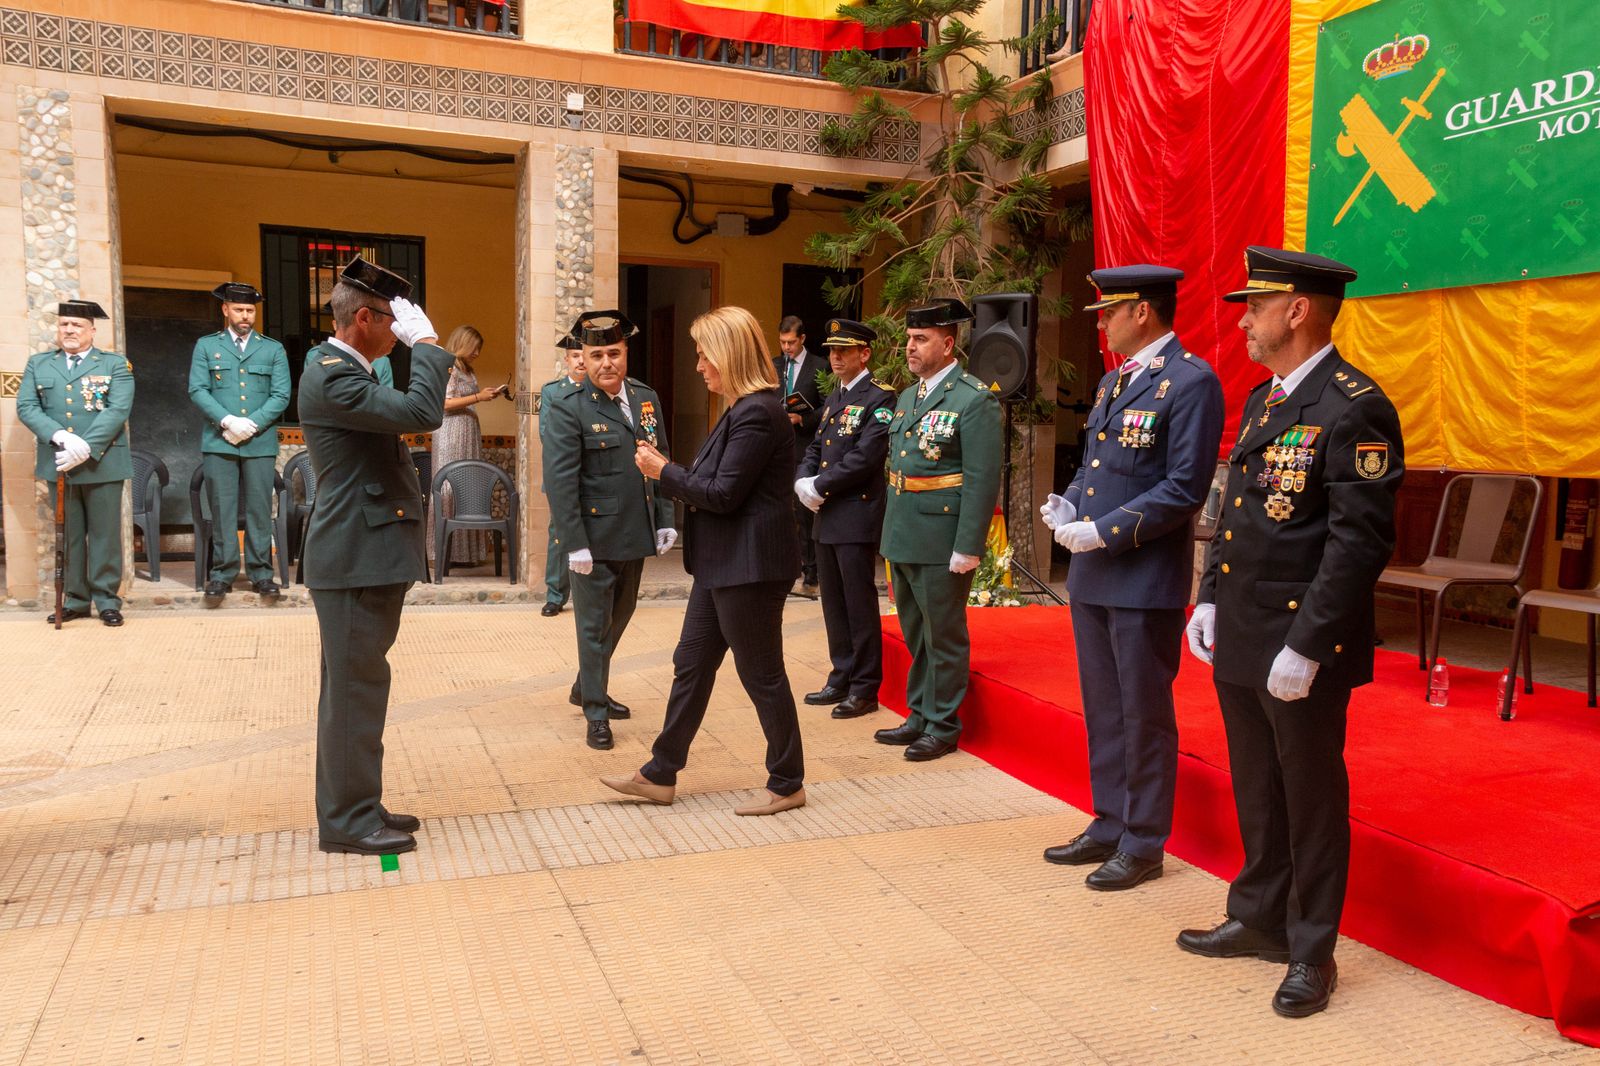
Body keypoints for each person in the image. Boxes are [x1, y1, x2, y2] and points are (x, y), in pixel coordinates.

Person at [1180, 247, 1404, 1018]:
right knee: (1257, 787)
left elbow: (1358, 543)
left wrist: (1307, 645)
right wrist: (1207, 597)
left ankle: (1312, 951)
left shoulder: (1354, 406)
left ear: (1297, 311)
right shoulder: (1264, 401)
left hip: (1301, 645)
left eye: (1254, 306)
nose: (1243, 320)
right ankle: (1258, 916)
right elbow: (1237, 511)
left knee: (1309, 796)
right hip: (1242, 629)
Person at [1038, 266, 1224, 891]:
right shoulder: (1117, 379)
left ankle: (1144, 840)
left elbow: (1183, 487)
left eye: (1108, 312)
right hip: (1094, 573)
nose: (1101, 323)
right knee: (1103, 708)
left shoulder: (1191, 383)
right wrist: (1069, 504)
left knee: (1143, 712)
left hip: (1142, 573)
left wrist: (1106, 528)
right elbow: (1098, 463)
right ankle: (1110, 819)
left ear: (1142, 312)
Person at [603, 305, 805, 816]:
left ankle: (787, 782)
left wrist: (661, 470)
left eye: (703, 354)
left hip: (750, 568)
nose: (698, 365)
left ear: (727, 355)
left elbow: (722, 494)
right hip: (723, 566)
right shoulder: (741, 409)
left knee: (762, 675)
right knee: (690, 665)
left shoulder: (758, 412)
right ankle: (659, 773)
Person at [298, 256, 450, 856]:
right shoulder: (334, 374)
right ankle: (347, 821)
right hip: (354, 553)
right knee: (354, 692)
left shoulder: (347, 369)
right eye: (394, 320)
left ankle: (359, 801)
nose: (400, 330)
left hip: (363, 551)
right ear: (363, 318)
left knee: (358, 687)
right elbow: (423, 413)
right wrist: (430, 346)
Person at [542, 310, 676, 750]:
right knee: (593, 626)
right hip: (594, 539)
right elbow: (562, 481)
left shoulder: (645, 398)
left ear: (625, 354)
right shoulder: (567, 406)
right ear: (582, 356)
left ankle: (587, 685)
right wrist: (573, 543)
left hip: (635, 532)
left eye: (613, 353)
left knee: (621, 616)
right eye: (596, 354)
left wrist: (665, 517)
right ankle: (595, 712)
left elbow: (659, 459)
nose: (606, 363)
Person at [874, 299, 1001, 761]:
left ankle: (943, 723)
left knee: (943, 634)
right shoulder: (909, 397)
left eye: (921, 339)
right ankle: (919, 713)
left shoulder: (973, 398)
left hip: (942, 536)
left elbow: (983, 478)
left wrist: (968, 545)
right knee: (914, 630)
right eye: (909, 338)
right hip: (904, 530)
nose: (910, 346)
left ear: (948, 345)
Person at [793, 318, 896, 719]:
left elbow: (865, 457)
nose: (835, 357)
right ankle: (841, 675)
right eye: (832, 351)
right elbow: (815, 445)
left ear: (864, 354)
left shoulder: (880, 398)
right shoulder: (836, 396)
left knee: (857, 602)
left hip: (854, 512)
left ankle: (865, 687)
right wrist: (802, 479)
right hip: (827, 513)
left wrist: (820, 485)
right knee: (832, 602)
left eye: (844, 351)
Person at [16, 300, 134, 627]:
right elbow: (27, 407)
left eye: (77, 325)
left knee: (104, 535)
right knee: (69, 535)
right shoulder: (39, 365)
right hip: (60, 461)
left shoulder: (114, 365)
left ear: (92, 331)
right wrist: (60, 436)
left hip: (103, 463)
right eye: (64, 324)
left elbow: (118, 409)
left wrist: (85, 446)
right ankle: (76, 600)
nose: (69, 330)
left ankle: (107, 600)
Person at [188, 282, 291, 602]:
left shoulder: (272, 348)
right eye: (239, 309)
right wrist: (228, 421)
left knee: (260, 509)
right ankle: (223, 573)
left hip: (259, 442)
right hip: (220, 441)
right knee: (223, 509)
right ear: (225, 310)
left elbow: (281, 394)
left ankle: (262, 573)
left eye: (250, 310)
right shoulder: (207, 346)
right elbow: (198, 390)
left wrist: (252, 425)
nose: (245, 316)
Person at [427, 324, 507, 569]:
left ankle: (465, 553)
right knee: (449, 487)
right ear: (463, 343)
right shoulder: (448, 367)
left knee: (468, 487)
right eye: (475, 347)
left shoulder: (468, 370)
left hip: (468, 431)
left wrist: (487, 395)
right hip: (451, 433)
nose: (477, 353)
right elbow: (443, 403)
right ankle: (439, 552)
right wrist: (478, 397)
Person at [775, 315, 827, 595]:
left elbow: (829, 406)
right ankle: (790, 568)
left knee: (803, 511)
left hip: (806, 447)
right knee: (782, 510)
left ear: (803, 339)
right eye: (782, 342)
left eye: (791, 343)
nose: (787, 348)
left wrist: (802, 420)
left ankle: (812, 574)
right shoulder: (775, 365)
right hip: (778, 449)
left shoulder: (820, 366)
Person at [539, 333, 587, 617]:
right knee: (559, 535)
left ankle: (589, 595)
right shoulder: (552, 392)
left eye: (585, 355)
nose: (581, 361)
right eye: (575, 356)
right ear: (566, 359)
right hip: (562, 478)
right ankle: (555, 595)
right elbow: (548, 434)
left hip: (596, 479)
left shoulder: (600, 391)